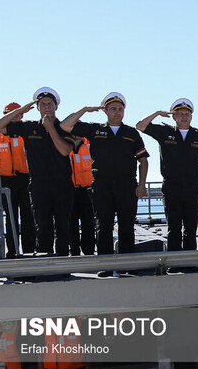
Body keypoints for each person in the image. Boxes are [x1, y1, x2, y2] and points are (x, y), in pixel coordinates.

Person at [60, 93, 149, 270]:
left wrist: (141, 185)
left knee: (126, 224)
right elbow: (65, 125)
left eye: (120, 109)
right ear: (106, 111)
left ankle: (127, 265)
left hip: (126, 185)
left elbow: (143, 160)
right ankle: (105, 265)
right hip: (102, 185)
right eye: (113, 109)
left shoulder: (131, 133)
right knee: (103, 225)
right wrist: (85, 110)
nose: (117, 112)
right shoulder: (94, 130)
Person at [0, 88, 75, 257]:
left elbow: (66, 151)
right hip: (39, 186)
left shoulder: (65, 127)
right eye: (42, 104)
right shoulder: (28, 127)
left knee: (62, 228)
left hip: (62, 185)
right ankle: (44, 268)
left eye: (50, 104)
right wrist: (21, 110)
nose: (46, 107)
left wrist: (50, 128)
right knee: (42, 228)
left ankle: (63, 267)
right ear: (37, 107)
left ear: (56, 107)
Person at [136, 98, 198, 256]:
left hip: (192, 185)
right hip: (172, 186)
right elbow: (140, 126)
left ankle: (189, 261)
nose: (184, 117)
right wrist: (157, 113)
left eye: (187, 114)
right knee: (174, 227)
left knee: (191, 226)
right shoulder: (165, 132)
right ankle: (175, 262)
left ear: (191, 117)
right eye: (180, 114)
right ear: (174, 116)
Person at [0, 102, 36, 258]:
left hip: (26, 180)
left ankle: (29, 251)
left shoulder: (27, 132)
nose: (17, 117)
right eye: (13, 114)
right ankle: (13, 251)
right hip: (5, 181)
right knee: (11, 218)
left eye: (19, 114)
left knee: (29, 217)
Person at [69, 136, 96, 255]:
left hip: (87, 190)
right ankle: (74, 251)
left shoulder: (90, 145)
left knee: (89, 223)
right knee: (70, 223)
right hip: (69, 190)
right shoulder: (63, 144)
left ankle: (89, 251)